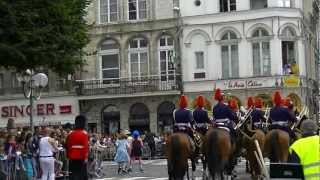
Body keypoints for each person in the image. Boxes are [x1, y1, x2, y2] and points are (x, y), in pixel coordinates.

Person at [66, 115, 89, 180]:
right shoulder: (84, 133)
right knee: (82, 174)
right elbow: (85, 147)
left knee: (73, 174)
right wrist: (86, 157)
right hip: (81, 157)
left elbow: (68, 146)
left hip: (72, 157)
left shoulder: (71, 133)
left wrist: (69, 156)